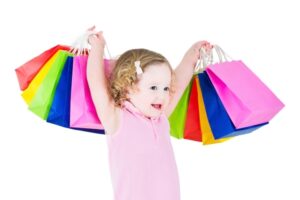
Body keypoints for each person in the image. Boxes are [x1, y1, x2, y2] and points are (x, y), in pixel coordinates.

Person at [87, 27, 212, 200]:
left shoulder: (160, 118)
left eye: (166, 88)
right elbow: (97, 85)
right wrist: (98, 47)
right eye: (153, 87)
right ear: (127, 86)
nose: (162, 95)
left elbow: (180, 83)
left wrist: (193, 54)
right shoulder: (117, 118)